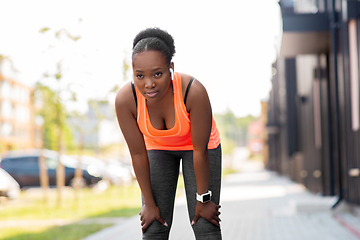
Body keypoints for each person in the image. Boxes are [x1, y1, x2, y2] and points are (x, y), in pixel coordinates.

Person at [115, 27, 222, 240]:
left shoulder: (193, 91)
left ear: (170, 68)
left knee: (204, 224)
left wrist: (203, 199)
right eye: (140, 75)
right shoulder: (127, 100)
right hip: (158, 149)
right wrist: (149, 204)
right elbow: (137, 154)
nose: (149, 84)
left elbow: (200, 151)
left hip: (199, 149)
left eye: (157, 73)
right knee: (153, 225)